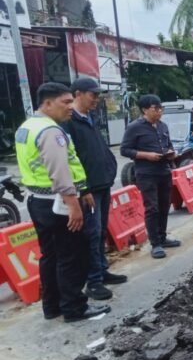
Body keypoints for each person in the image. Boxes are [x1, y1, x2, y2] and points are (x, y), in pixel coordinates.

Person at [15, 82, 111, 322]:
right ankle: (74, 307)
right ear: (47, 103)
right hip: (58, 202)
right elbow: (60, 172)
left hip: (37, 201)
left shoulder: (27, 126)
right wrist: (73, 205)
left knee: (50, 256)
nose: (70, 107)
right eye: (65, 102)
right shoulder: (51, 131)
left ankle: (53, 306)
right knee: (72, 256)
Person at [62, 77, 127, 301]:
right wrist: (83, 189)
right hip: (88, 189)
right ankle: (93, 281)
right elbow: (70, 159)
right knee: (91, 233)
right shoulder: (69, 122)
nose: (96, 100)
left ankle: (101, 269)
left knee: (100, 232)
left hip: (102, 184)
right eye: (93, 95)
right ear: (78, 94)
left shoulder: (90, 118)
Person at [120, 94, 182, 259]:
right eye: (156, 108)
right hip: (146, 173)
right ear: (145, 110)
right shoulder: (134, 127)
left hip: (164, 171)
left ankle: (162, 237)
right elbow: (125, 150)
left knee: (164, 205)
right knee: (152, 208)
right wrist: (146, 155)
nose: (159, 111)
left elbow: (168, 145)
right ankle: (155, 244)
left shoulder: (163, 126)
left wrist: (171, 153)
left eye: (161, 108)